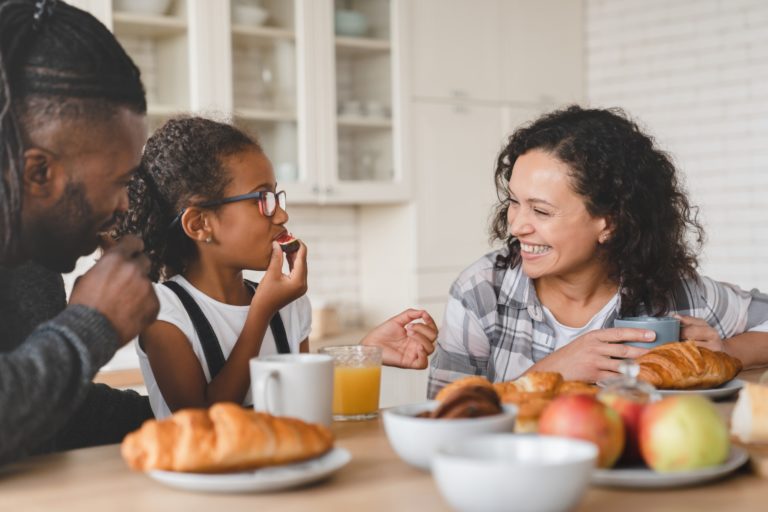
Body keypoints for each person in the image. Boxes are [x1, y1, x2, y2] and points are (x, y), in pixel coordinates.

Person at [428, 105, 768, 397]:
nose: (517, 226)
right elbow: (442, 416)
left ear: (610, 222)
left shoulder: (675, 293)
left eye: (541, 211)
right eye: (514, 202)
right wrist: (551, 373)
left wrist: (728, 353)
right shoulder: (482, 291)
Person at [116, 116, 437, 418]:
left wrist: (363, 352)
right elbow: (205, 421)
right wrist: (261, 313)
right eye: (262, 200)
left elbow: (305, 402)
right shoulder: (163, 314)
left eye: (276, 198)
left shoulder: (290, 306)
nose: (281, 216)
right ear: (200, 224)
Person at [0, 0, 159, 464]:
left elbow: (52, 414)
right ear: (39, 173)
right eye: (120, 183)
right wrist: (93, 326)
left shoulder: (30, 259)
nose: (127, 206)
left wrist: (204, 417)